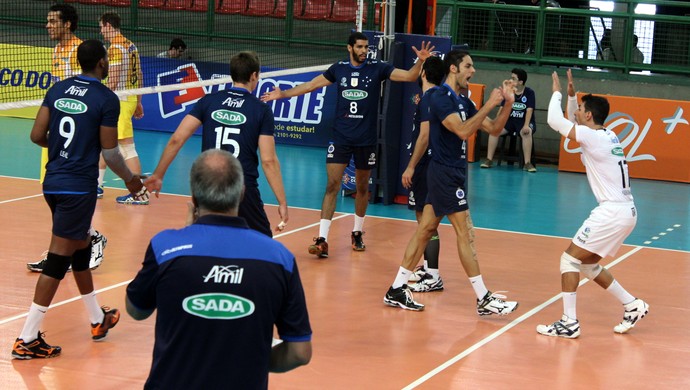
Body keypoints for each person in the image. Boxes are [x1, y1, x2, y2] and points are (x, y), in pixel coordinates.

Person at [127, 149, 312, 389]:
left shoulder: (166, 247)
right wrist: (248, 362)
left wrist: (187, 235)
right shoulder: (279, 259)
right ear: (242, 193)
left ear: (194, 197)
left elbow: (136, 310)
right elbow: (300, 352)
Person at [12, 39, 148, 359]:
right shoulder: (105, 98)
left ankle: (97, 319)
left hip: (54, 181)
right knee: (59, 259)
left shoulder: (58, 89)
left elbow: (36, 136)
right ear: (101, 63)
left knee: (82, 246)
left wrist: (63, 150)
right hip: (77, 187)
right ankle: (27, 337)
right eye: (107, 62)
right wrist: (131, 181)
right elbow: (111, 152)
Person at [262, 32, 434, 257]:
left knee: (362, 188)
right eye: (360, 47)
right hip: (340, 138)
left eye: (366, 47)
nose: (364, 51)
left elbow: (411, 77)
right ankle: (322, 239)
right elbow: (311, 85)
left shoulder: (378, 68)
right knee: (332, 185)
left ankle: (357, 232)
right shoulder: (339, 69)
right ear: (350, 48)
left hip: (366, 140)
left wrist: (420, 60)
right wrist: (283, 94)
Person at [383, 50, 519, 314]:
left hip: (452, 172)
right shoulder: (438, 97)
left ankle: (397, 288)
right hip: (444, 172)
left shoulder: (461, 100)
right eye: (469, 66)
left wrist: (508, 104)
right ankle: (483, 298)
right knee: (465, 232)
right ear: (454, 69)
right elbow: (462, 131)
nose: (473, 71)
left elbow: (492, 129)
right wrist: (490, 103)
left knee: (425, 230)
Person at [537, 69, 649, 338]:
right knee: (587, 265)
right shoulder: (606, 135)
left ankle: (569, 322)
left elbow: (555, 120)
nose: (576, 112)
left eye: (580, 110)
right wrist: (572, 96)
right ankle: (632, 304)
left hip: (611, 211)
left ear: (588, 115)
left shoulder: (592, 137)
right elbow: (574, 120)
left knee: (568, 260)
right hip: (626, 212)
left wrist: (555, 91)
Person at [144, 51, 288, 237]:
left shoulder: (209, 101)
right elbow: (268, 161)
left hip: (207, 184)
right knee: (263, 244)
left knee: (207, 238)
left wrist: (158, 174)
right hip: (241, 187)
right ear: (254, 75)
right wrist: (282, 202)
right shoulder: (261, 110)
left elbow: (176, 139)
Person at [27, 3, 107, 273]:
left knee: (69, 192)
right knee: (52, 191)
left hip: (76, 134)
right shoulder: (57, 49)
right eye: (47, 21)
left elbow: (91, 91)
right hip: (59, 132)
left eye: (52, 21)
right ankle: (59, 250)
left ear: (68, 24)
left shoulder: (80, 51)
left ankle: (91, 238)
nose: (47, 25)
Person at [401, 56, 445, 293]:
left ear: (424, 74)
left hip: (425, 165)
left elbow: (424, 136)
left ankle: (433, 275)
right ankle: (429, 269)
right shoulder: (441, 97)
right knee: (426, 221)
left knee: (425, 222)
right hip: (434, 164)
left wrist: (410, 166)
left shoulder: (428, 99)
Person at [98, 12, 146, 205]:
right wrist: (139, 101)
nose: (100, 31)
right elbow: (140, 73)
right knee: (106, 144)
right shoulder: (130, 44)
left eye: (101, 26)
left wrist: (99, 98)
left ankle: (139, 193)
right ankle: (97, 185)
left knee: (127, 148)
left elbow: (114, 80)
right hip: (130, 98)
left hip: (121, 100)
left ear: (108, 25)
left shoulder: (116, 47)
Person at [480, 68, 537, 172]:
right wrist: (495, 122)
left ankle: (527, 163)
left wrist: (526, 125)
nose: (511, 80)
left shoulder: (529, 93)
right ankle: (489, 160)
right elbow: (501, 109)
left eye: (513, 78)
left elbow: (529, 110)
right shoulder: (509, 91)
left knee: (526, 132)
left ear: (520, 82)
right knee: (493, 131)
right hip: (510, 121)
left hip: (524, 121)